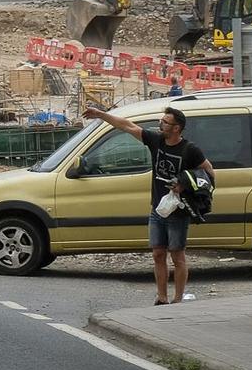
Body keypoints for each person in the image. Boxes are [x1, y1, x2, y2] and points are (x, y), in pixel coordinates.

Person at [82, 103, 214, 305]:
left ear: (176, 128)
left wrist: (189, 187)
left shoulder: (190, 150)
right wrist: (101, 114)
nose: (160, 124)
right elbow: (127, 126)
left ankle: (178, 300)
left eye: (165, 122)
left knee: (177, 256)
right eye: (162, 120)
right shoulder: (156, 141)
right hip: (158, 208)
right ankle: (162, 297)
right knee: (158, 253)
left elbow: (208, 171)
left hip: (178, 210)